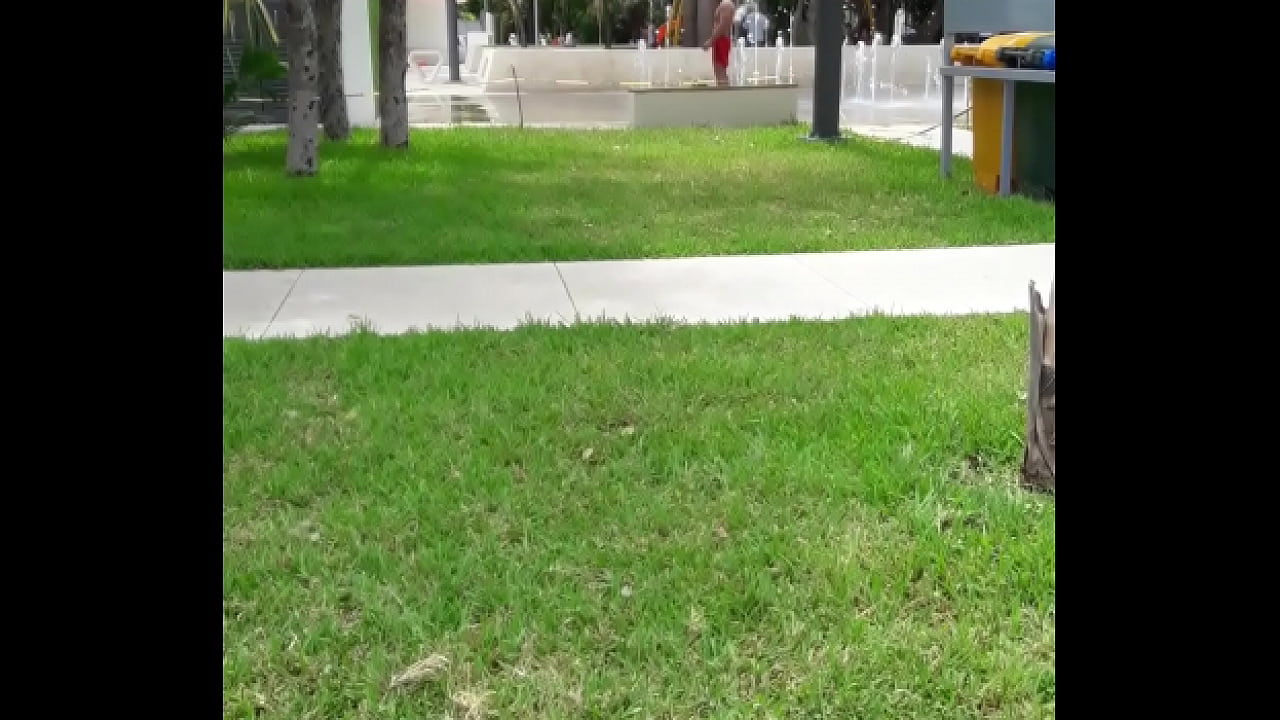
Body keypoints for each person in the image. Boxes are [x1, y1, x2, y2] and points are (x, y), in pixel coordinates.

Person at [702, 0, 735, 86]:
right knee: (719, 71)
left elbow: (724, 24)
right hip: (720, 40)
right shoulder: (724, 4)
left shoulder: (726, 4)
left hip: (721, 40)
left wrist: (710, 41)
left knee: (720, 72)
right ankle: (723, 92)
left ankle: (724, 94)